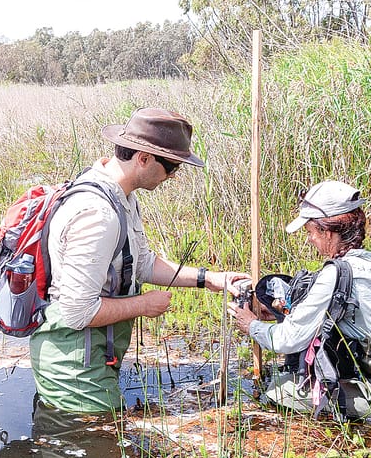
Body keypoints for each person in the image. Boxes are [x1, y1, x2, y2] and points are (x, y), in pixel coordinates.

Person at [30, 107, 245, 413]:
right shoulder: (98, 214)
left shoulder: (123, 196)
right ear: (143, 158)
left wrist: (209, 278)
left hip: (93, 356)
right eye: (171, 166)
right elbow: (78, 311)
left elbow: (141, 263)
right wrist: (143, 305)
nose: (173, 176)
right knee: (95, 452)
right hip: (74, 367)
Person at [228, 180, 371, 421]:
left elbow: (288, 340)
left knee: (279, 390)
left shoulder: (336, 273)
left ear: (326, 232)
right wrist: (283, 313)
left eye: (310, 232)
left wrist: (251, 325)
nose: (309, 239)